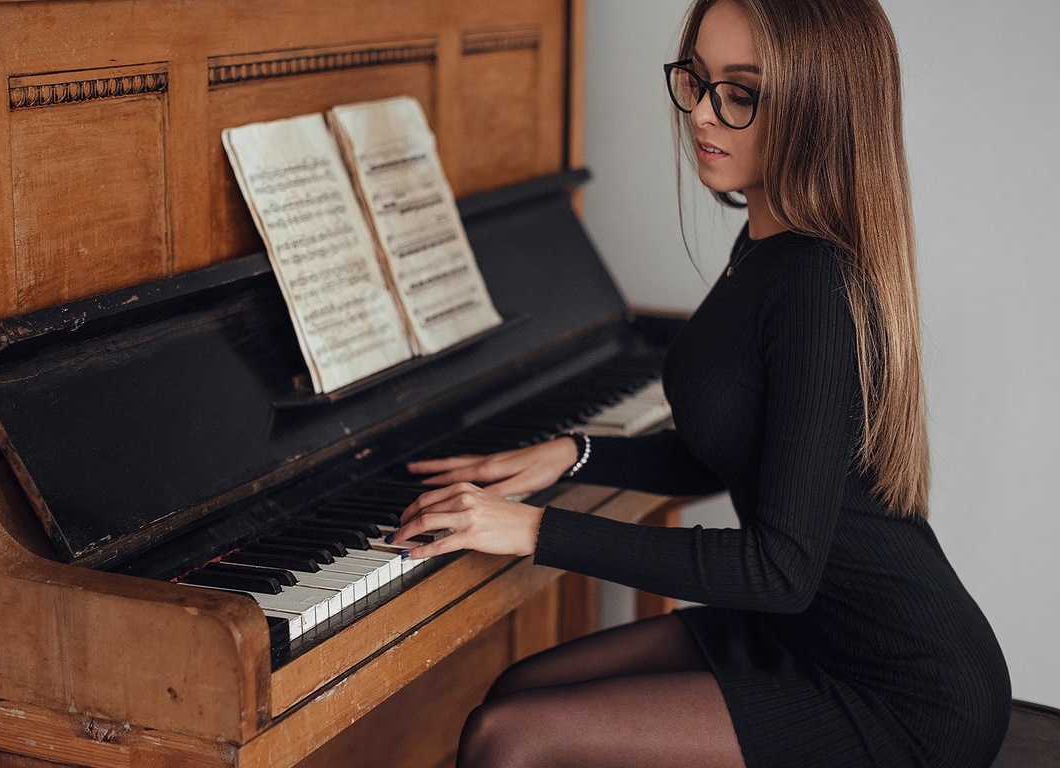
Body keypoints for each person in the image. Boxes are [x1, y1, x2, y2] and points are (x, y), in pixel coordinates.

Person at [387, 0, 1012, 765]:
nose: (703, 117)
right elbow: (728, 446)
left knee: (506, 739)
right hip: (809, 627)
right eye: (697, 80)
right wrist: (576, 454)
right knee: (518, 690)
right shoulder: (768, 243)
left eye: (740, 93)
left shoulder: (815, 281)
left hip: (904, 694)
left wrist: (532, 531)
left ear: (822, 106)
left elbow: (778, 569)